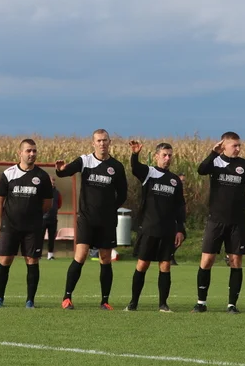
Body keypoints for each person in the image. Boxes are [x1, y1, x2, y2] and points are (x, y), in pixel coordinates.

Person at [56, 129, 128, 310]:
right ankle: (67, 298)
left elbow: (123, 193)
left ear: (109, 142)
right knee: (80, 255)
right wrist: (60, 169)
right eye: (98, 141)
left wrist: (111, 208)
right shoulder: (85, 161)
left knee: (105, 258)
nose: (102, 143)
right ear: (93, 143)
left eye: (105, 140)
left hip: (107, 221)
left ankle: (105, 301)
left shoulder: (117, 167)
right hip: (87, 218)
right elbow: (65, 172)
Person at [193, 132, 245, 314]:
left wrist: (240, 205)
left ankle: (232, 305)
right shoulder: (215, 162)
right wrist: (213, 153)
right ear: (224, 146)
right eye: (234, 145)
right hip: (216, 220)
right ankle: (201, 303)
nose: (238, 148)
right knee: (207, 260)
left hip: (236, 222)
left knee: (236, 260)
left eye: (239, 145)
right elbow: (201, 170)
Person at [126, 141, 186, 312]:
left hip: (167, 230)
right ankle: (133, 303)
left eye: (170, 155)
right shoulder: (149, 173)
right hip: (149, 228)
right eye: (164, 155)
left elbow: (180, 206)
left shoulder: (175, 180)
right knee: (142, 264)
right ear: (157, 156)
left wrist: (180, 229)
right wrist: (135, 154)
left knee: (165, 265)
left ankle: (163, 304)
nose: (167, 158)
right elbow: (135, 168)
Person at [0, 139, 54, 308]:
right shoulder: (8, 174)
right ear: (19, 153)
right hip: (10, 226)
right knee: (5, 260)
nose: (32, 154)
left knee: (32, 260)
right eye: (28, 151)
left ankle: (30, 300)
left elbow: (47, 204)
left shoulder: (42, 176)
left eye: (34, 151)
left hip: (33, 228)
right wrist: (0, 224)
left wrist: (33, 216)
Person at [43, 177, 61, 260]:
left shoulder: (57, 193)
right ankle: (37, 254)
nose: (52, 184)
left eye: (53, 183)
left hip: (53, 218)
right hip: (42, 218)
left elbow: (59, 204)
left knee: (51, 238)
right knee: (39, 237)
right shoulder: (42, 191)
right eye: (51, 182)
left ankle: (50, 255)